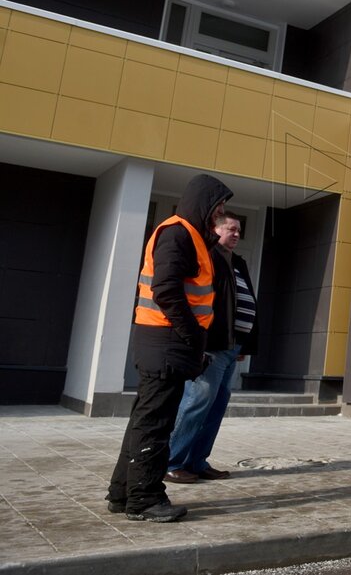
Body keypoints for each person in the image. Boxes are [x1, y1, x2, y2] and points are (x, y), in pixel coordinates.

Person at [106, 173, 233, 522]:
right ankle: (145, 498)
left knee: (143, 422)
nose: (220, 214)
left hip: (163, 343)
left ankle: (122, 493)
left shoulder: (189, 236)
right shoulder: (178, 234)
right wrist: (193, 336)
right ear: (203, 204)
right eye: (218, 207)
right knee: (156, 425)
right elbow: (166, 290)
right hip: (165, 343)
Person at [165, 214, 260, 483]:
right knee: (197, 401)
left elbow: (243, 301)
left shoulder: (237, 262)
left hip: (232, 345)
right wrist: (200, 342)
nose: (237, 234)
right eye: (231, 229)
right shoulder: (207, 256)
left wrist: (243, 343)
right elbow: (202, 301)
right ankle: (171, 460)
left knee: (216, 405)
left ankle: (196, 462)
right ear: (215, 230)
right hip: (212, 345)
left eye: (240, 230)